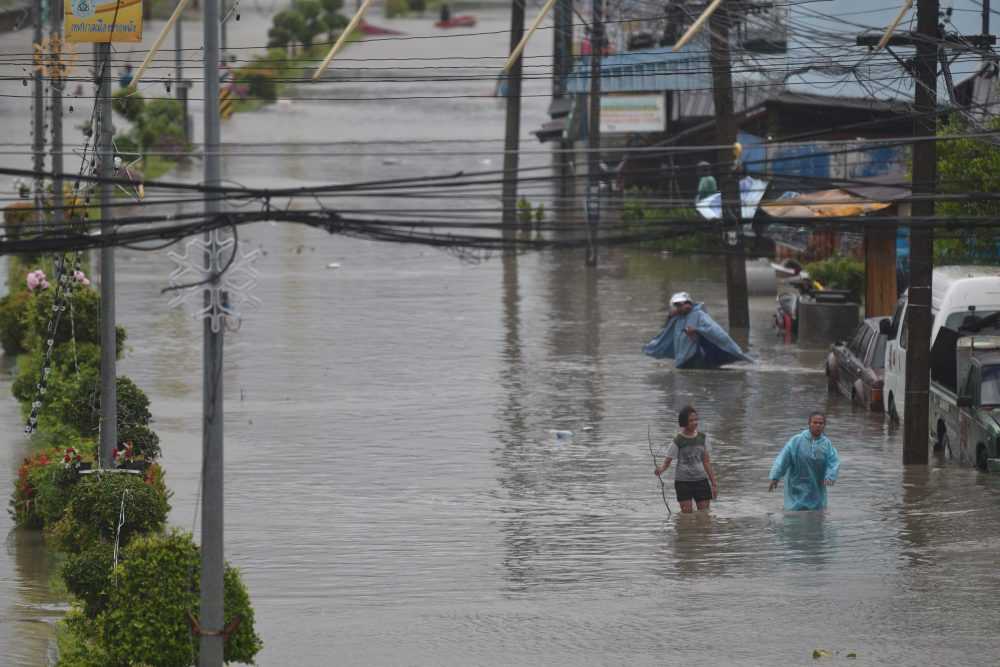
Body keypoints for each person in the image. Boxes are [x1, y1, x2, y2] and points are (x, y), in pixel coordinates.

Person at [643, 292, 752, 368]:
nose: (684, 306)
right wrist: (670, 317)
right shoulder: (677, 318)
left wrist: (697, 330)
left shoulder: (699, 315)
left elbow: (715, 332)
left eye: (686, 303)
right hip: (683, 356)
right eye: (679, 305)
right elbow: (665, 333)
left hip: (696, 354)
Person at [768, 413, 840, 511]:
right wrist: (775, 477)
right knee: (794, 514)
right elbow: (783, 458)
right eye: (815, 422)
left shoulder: (826, 444)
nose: (818, 425)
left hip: (816, 484)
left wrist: (830, 476)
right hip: (796, 483)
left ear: (824, 426)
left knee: (816, 514)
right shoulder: (796, 440)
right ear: (809, 424)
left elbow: (833, 461)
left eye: (821, 423)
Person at [655, 405, 718, 513]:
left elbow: (706, 462)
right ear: (684, 422)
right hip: (683, 482)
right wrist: (660, 470)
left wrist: (714, 484)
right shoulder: (678, 440)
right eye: (691, 420)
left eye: (696, 419)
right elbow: (667, 462)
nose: (695, 423)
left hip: (701, 481)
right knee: (686, 515)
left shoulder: (703, 438)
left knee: (705, 515)